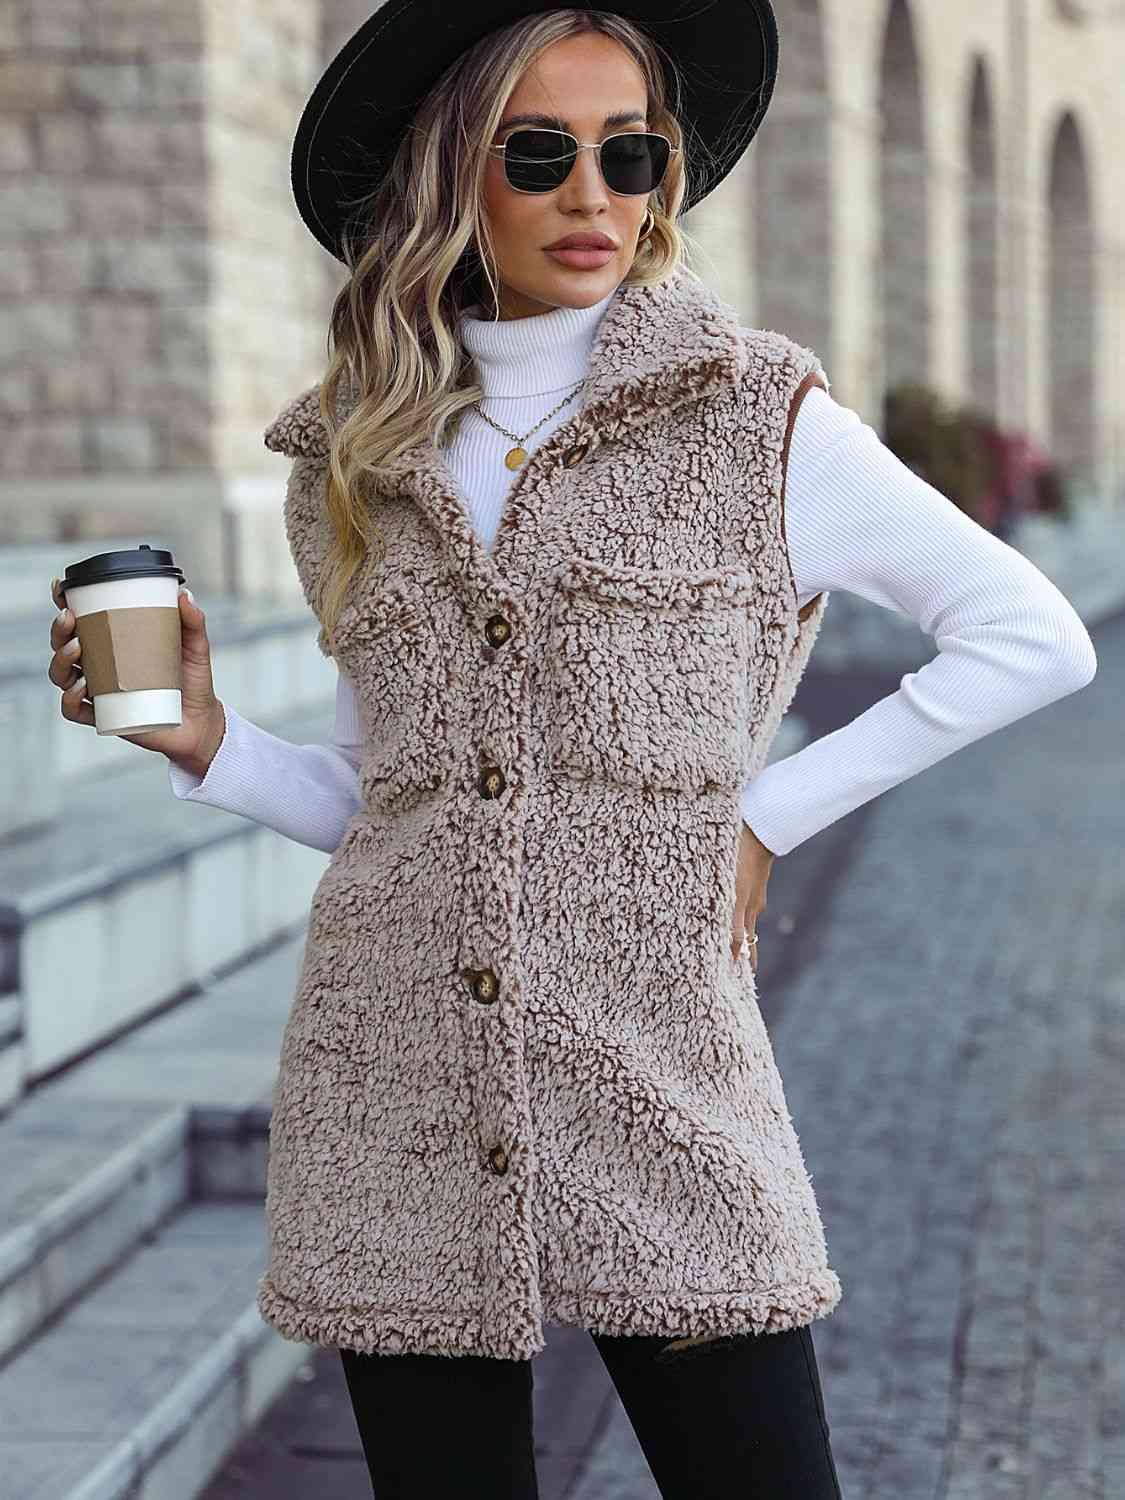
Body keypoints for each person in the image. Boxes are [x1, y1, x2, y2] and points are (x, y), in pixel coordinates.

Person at [47, 5, 1097, 1497]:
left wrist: (760, 818)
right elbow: (385, 802)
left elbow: (1029, 635)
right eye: (536, 153)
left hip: (657, 1058)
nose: (592, 194)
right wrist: (204, 742)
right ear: (450, 175)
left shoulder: (755, 418)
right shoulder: (356, 452)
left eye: (630, 151)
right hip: (390, 1068)